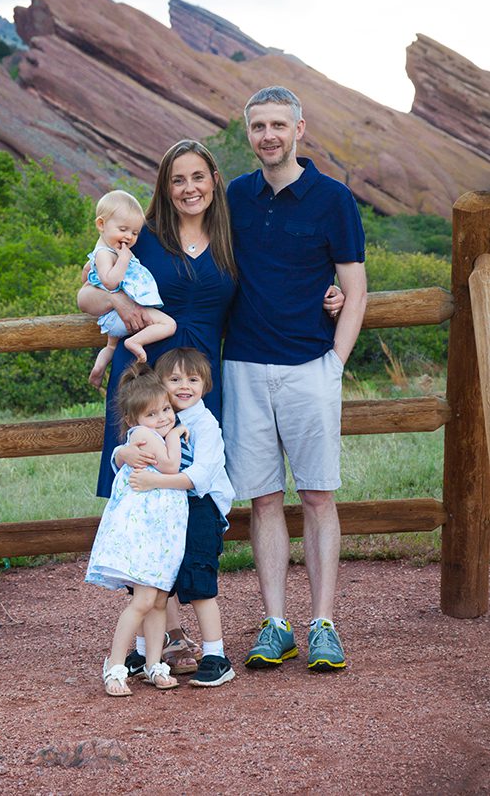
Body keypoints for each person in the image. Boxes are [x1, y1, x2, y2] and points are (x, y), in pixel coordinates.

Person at [77, 139, 343, 657]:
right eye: (178, 179)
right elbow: (85, 294)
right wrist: (114, 298)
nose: (188, 188)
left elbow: (280, 279)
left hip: (200, 387)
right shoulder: (142, 238)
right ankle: (167, 632)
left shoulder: (230, 235)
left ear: (214, 180)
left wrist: (330, 293)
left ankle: (181, 621)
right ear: (165, 186)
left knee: (194, 498)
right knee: (143, 498)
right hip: (146, 382)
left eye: (197, 177)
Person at [222, 85, 367, 672]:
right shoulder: (233, 196)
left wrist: (336, 362)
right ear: (248, 132)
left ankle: (323, 624)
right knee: (262, 500)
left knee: (317, 495)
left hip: (311, 366)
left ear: (300, 128)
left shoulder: (334, 199)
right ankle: (276, 624)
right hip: (244, 367)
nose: (268, 136)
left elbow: (354, 289)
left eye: (278, 125)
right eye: (258, 127)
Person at [117, 347, 236, 687]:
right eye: (174, 379)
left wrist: (155, 480)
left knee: (198, 580)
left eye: (193, 379)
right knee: (152, 578)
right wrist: (121, 453)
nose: (184, 386)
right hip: (160, 510)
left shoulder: (205, 425)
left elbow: (199, 477)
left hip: (200, 507)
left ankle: (215, 655)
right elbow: (127, 454)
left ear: (205, 384)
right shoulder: (157, 420)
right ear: (160, 383)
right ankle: (144, 651)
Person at [85, 363, 189, 696]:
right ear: (133, 421)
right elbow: (171, 466)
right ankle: (115, 665)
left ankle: (154, 663)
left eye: (167, 410)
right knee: (144, 600)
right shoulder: (146, 437)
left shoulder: (150, 432)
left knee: (158, 600)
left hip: (163, 530)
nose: (163, 418)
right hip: (147, 531)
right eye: (152, 414)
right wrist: (173, 434)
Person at [82, 189, 176, 388]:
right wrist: (124, 260)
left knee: (110, 346)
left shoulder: (103, 251)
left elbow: (87, 277)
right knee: (169, 325)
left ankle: (98, 370)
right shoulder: (104, 254)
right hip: (119, 314)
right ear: (101, 224)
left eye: (134, 232)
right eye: (123, 229)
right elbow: (110, 282)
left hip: (115, 316)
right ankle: (135, 342)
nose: (129, 237)